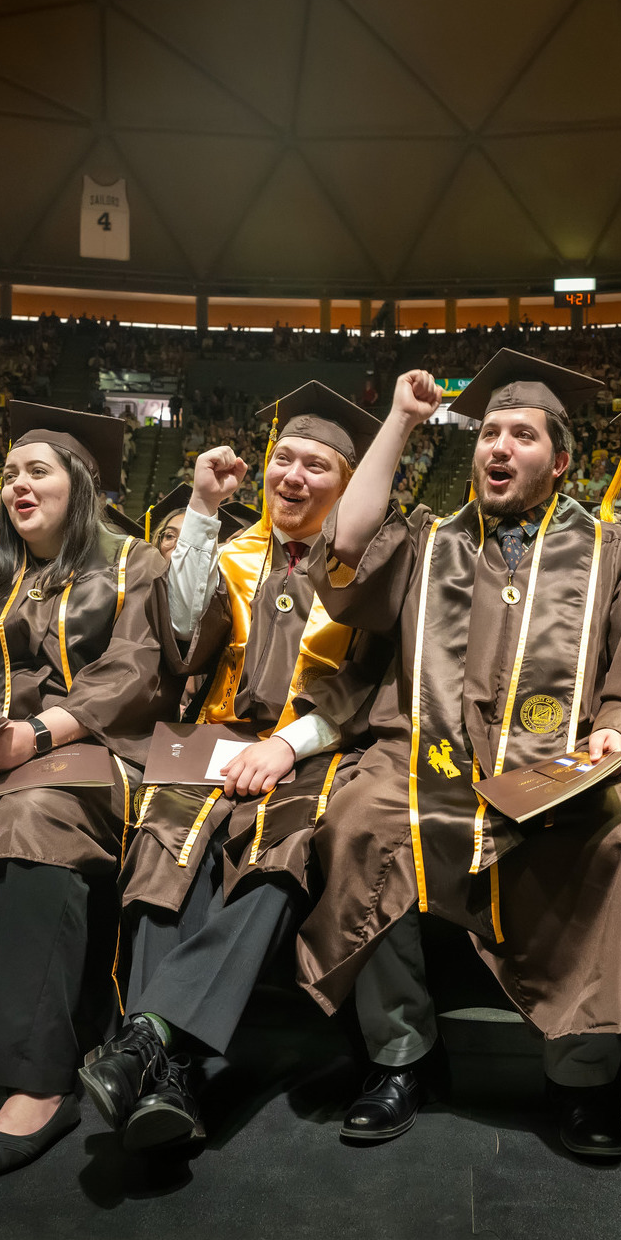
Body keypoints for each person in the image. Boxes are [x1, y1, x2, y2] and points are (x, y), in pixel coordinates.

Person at [300, 351, 621, 1156]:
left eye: (523, 436)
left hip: (555, 768)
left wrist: (616, 723)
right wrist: (401, 419)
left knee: (613, 833)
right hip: (426, 759)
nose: (500, 447)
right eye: (490, 433)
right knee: (360, 815)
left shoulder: (614, 548)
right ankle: (403, 1056)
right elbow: (347, 543)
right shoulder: (427, 542)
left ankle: (583, 1075)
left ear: (561, 460)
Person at [80, 384, 388, 1153]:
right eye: (282, 458)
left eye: (316, 465)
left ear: (346, 486)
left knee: (277, 852)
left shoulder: (369, 565)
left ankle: (144, 1041)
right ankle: (173, 1075)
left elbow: (374, 680)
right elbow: (181, 633)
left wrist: (289, 745)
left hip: (313, 749)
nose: (292, 475)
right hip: (215, 737)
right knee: (162, 843)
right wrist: (205, 510)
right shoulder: (234, 552)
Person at [0, 400, 181, 1178]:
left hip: (89, 751)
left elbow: (134, 676)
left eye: (38, 471)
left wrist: (39, 734)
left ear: (80, 483)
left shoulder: (133, 562)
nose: (18, 485)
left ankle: (37, 1080)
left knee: (35, 812)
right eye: (10, 473)